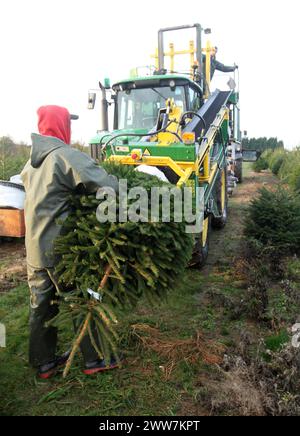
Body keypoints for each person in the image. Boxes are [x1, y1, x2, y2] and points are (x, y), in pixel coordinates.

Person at [21, 105, 119, 379]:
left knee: (41, 306)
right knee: (82, 298)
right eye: (69, 123)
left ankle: (44, 362)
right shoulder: (65, 157)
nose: (71, 128)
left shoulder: (30, 163)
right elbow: (105, 184)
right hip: (61, 249)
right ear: (60, 125)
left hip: (34, 250)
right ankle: (96, 358)